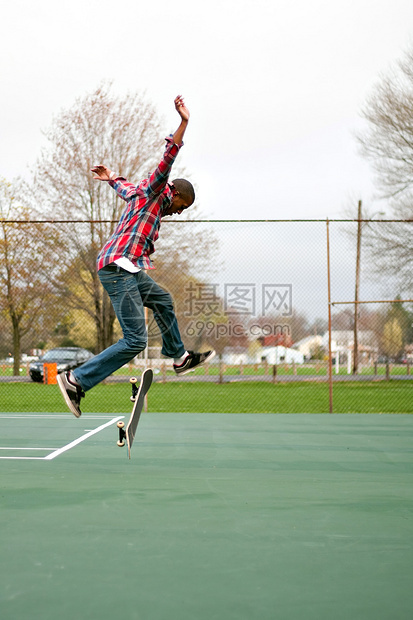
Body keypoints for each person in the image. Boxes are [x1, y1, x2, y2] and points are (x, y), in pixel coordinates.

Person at [57, 95, 215, 417]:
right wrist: (184, 123)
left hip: (127, 267)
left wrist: (110, 177)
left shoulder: (140, 192)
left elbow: (124, 187)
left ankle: (178, 357)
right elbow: (167, 160)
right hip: (118, 267)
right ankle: (76, 380)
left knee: (162, 299)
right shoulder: (158, 190)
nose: (178, 213)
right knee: (135, 340)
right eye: (182, 208)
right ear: (177, 195)